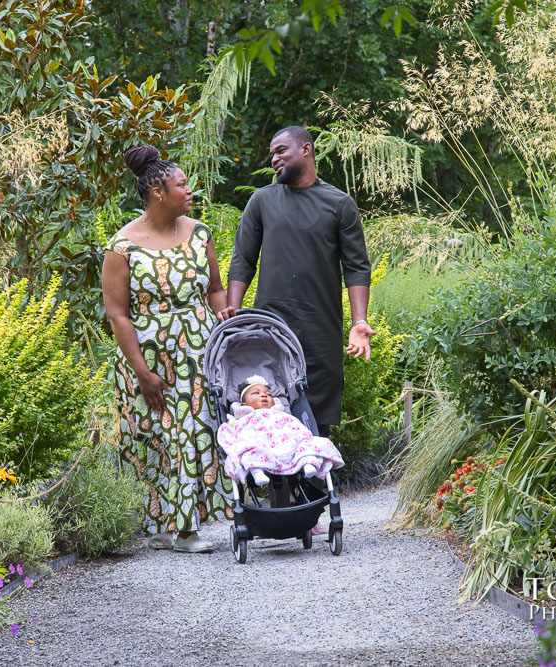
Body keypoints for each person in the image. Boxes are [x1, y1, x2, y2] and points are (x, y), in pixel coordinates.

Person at [226, 126, 373, 535]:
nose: (274, 159)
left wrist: (359, 322)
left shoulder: (338, 203)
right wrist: (234, 308)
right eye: (271, 153)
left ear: (306, 150)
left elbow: (356, 267)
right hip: (270, 326)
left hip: (320, 325)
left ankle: (310, 513)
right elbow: (243, 259)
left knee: (316, 411)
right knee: (271, 409)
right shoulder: (262, 201)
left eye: (281, 151)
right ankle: (280, 513)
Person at [102, 145, 233, 554]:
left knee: (194, 431)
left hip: (198, 352)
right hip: (149, 357)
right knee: (155, 434)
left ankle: (187, 530)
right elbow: (118, 316)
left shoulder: (199, 233)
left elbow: (214, 289)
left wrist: (228, 321)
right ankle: (161, 524)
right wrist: (142, 372)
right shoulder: (122, 246)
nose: (189, 191)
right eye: (182, 185)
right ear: (158, 192)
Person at [217, 375, 344, 486]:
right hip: (261, 443)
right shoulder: (242, 417)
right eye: (256, 393)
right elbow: (234, 434)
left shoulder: (280, 413)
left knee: (307, 441)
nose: (264, 395)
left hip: (287, 442)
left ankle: (308, 463)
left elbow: (295, 427)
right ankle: (257, 472)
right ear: (243, 404)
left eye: (268, 394)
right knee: (247, 448)